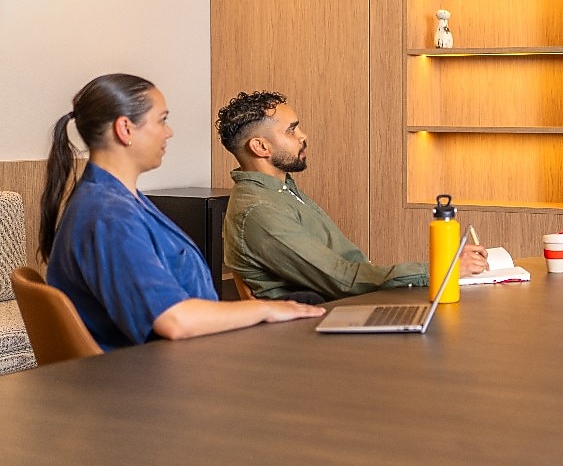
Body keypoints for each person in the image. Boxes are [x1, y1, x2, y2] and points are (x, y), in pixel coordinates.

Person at [38, 74, 324, 351]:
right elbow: (174, 320)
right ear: (125, 129)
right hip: (157, 375)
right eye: (162, 120)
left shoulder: (115, 199)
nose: (169, 131)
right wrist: (264, 308)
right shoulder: (108, 215)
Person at [216, 90, 488, 301]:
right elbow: (344, 280)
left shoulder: (281, 189)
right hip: (317, 329)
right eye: (291, 130)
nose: (303, 135)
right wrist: (443, 270)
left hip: (349, 303)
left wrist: (445, 266)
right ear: (261, 146)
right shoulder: (261, 211)